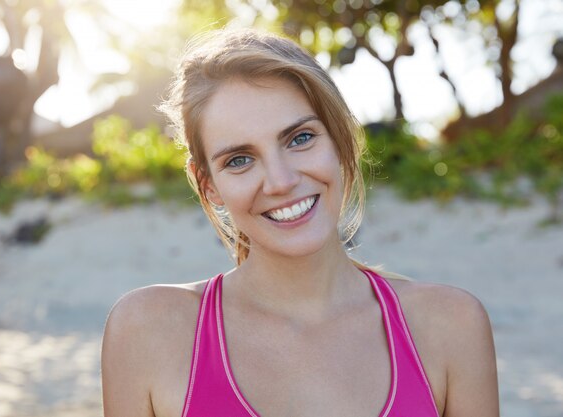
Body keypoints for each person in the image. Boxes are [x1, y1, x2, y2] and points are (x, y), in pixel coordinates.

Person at [101, 28, 499, 417]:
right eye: (239, 159)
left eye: (300, 138)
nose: (281, 181)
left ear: (340, 140)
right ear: (209, 186)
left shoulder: (450, 326)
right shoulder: (148, 331)